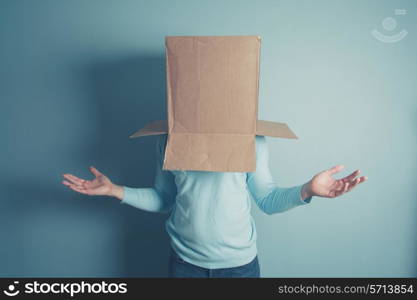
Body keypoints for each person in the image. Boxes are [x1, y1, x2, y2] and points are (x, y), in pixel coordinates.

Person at [62, 135, 367, 278]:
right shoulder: (168, 141)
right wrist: (115, 190)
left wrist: (306, 190)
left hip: (239, 269)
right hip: (185, 266)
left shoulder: (253, 142)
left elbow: (268, 201)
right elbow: (164, 199)